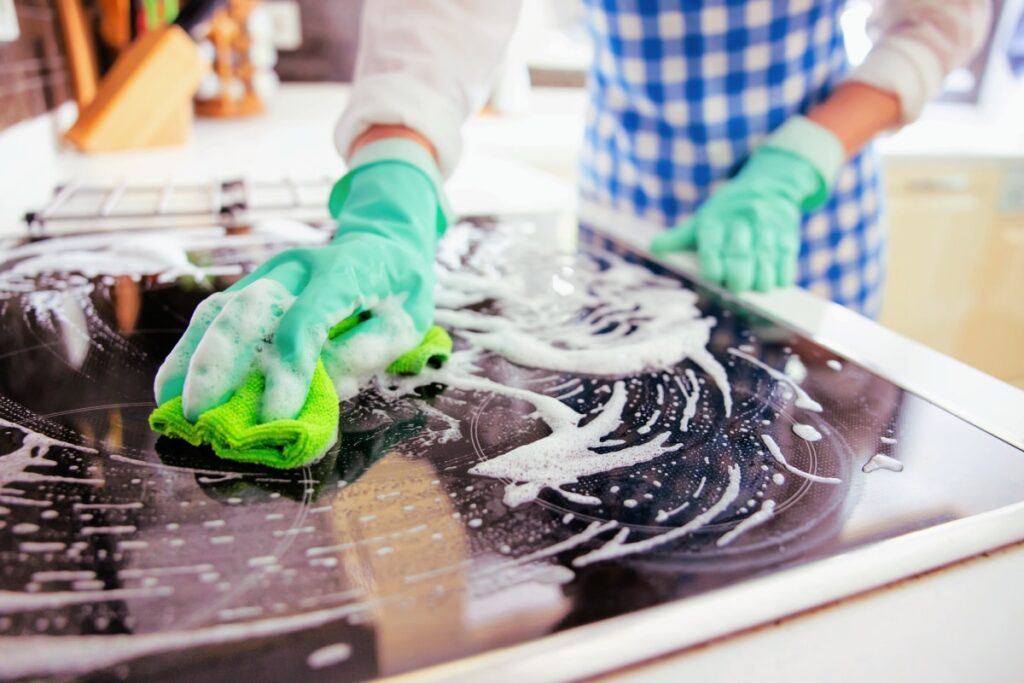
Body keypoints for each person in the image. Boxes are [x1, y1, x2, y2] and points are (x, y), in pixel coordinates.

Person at [156, 0, 991, 423]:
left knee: (795, 471)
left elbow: (938, 18)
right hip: (626, 205)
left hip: (807, 220)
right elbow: (441, 21)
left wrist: (796, 160)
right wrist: (389, 199)